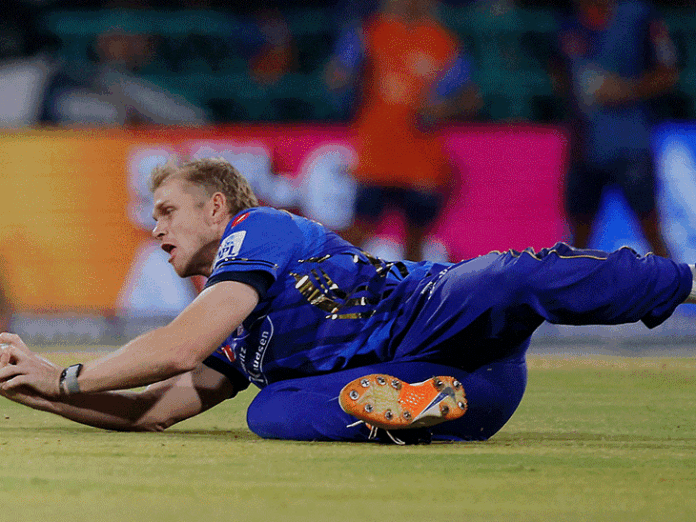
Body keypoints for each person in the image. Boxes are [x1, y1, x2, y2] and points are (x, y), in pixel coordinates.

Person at [0, 157, 693, 444]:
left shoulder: (258, 229)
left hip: (432, 313)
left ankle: (684, 281)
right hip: (465, 396)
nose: (155, 229)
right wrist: (35, 387)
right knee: (268, 412)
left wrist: (66, 376)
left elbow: (177, 348)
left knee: (514, 276)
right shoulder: (234, 331)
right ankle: (415, 406)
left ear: (216, 208)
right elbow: (151, 411)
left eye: (166, 211)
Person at [325, 0, 481, 262]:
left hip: (422, 163)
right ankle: (334, 280)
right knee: (359, 232)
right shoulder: (368, 33)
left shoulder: (443, 42)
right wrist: (349, 76)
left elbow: (470, 97)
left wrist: (443, 108)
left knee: (415, 240)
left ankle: (410, 288)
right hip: (377, 158)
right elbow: (336, 78)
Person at [549, 0, 679, 256]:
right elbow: (558, 71)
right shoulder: (568, 20)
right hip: (585, 145)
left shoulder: (639, 17)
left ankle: (675, 281)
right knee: (577, 240)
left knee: (651, 229)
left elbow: (668, 73)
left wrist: (627, 90)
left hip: (630, 142)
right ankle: (574, 282)